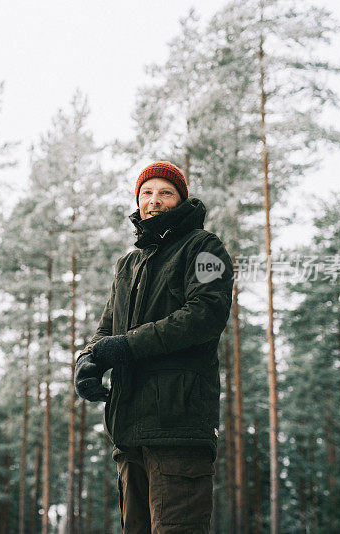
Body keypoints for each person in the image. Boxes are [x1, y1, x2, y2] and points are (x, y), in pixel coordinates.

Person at [74, 161, 233, 533]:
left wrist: (126, 346)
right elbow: (107, 329)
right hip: (129, 432)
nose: (154, 201)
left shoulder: (205, 249)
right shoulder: (128, 265)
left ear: (181, 200)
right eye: (146, 193)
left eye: (165, 193)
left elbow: (205, 314)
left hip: (178, 425)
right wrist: (88, 361)